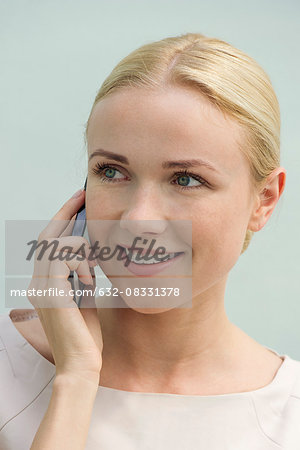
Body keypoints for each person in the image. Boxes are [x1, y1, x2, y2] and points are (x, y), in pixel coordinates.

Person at [1, 32, 299, 450]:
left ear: (264, 200)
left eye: (186, 179)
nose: (139, 219)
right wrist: (76, 378)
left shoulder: (290, 417)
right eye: (111, 172)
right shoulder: (6, 370)